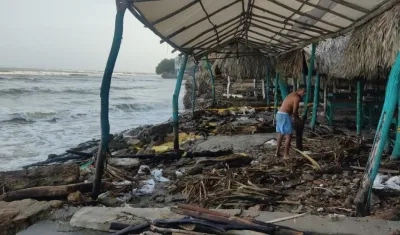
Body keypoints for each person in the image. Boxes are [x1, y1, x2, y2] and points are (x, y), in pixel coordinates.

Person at [275, 86, 306, 159]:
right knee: (289, 135)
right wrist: (298, 119)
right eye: (303, 92)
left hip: (279, 113)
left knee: (280, 134)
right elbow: (295, 111)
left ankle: (277, 152)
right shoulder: (297, 98)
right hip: (285, 115)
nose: (304, 94)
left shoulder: (291, 94)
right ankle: (286, 155)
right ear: (299, 90)